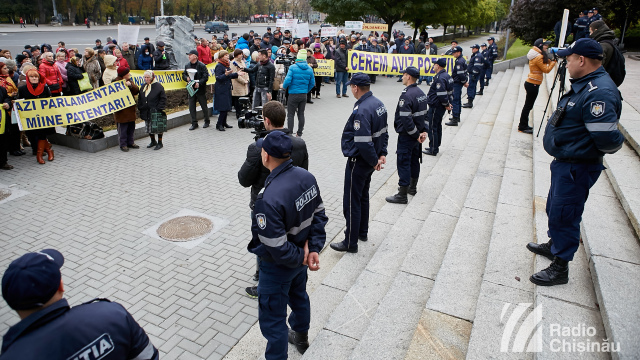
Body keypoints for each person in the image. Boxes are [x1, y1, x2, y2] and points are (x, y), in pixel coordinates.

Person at [528, 38, 624, 286]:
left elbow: (608, 138)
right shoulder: (587, 83)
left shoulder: (599, 92)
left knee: (565, 214)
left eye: (569, 59)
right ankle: (554, 244)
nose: (566, 64)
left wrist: (580, 149)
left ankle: (560, 267)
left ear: (581, 60)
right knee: (555, 207)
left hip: (577, 165)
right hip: (567, 162)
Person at [246, 130, 327, 359]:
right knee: (299, 296)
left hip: (277, 267)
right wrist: (313, 249)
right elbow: (320, 215)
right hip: (300, 257)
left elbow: (276, 245)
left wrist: (303, 255)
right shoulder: (306, 177)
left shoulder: (268, 198)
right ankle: (301, 336)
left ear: (266, 156)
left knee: (273, 322)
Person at [0, 248, 159, 359]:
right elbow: (148, 356)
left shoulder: (13, 355)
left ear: (11, 303)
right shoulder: (112, 315)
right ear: (61, 286)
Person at [238, 101, 309, 297]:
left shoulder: (259, 146)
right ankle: (288, 275)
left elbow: (243, 179)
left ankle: (262, 280)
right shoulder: (299, 143)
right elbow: (304, 174)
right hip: (292, 204)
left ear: (266, 120)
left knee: (264, 242)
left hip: (264, 205)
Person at [330, 73, 388, 253]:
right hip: (371, 160)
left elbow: (363, 141)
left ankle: (350, 241)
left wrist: (373, 161)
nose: (350, 89)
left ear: (355, 87)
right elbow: (384, 132)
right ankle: (362, 232)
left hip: (359, 162)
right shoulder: (379, 104)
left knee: (352, 201)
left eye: (351, 86)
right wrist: (381, 154)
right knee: (363, 196)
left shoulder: (362, 109)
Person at [385, 67, 428, 204]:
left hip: (408, 136)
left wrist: (415, 134)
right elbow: (426, 115)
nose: (402, 76)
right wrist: (424, 131)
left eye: (404, 74)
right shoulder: (421, 92)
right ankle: (412, 187)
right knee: (414, 160)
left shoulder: (407, 94)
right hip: (417, 136)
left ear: (408, 77)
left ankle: (402, 194)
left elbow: (406, 119)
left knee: (403, 162)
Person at [518, 39, 557, 134]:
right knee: (528, 106)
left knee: (528, 105)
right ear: (540, 46)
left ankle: (523, 125)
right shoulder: (538, 57)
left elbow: (546, 62)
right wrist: (554, 62)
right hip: (533, 83)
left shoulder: (536, 55)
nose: (547, 47)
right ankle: (522, 126)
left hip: (532, 82)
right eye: (545, 45)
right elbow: (546, 69)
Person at [18, 69, 55, 164]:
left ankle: (39, 155)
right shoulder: (22, 89)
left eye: (36, 77)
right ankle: (49, 151)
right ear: (28, 78)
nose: (34, 78)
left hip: (43, 117)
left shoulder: (45, 88)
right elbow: (20, 102)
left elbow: (49, 101)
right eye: (32, 77)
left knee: (42, 135)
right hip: (31, 118)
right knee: (33, 135)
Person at [282, 49, 315, 137]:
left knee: (290, 114)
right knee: (301, 114)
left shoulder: (293, 67)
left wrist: (284, 87)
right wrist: (305, 90)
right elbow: (312, 83)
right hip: (303, 94)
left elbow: (287, 80)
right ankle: (299, 133)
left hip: (293, 94)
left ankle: (290, 133)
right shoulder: (309, 68)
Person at [423, 58, 453, 156]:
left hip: (436, 106)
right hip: (440, 106)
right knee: (437, 125)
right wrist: (448, 104)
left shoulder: (440, 77)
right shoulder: (447, 76)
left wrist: (446, 104)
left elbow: (442, 94)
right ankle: (436, 145)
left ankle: (433, 148)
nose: (433, 66)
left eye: (434, 64)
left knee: (432, 127)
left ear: (438, 66)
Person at [214, 50, 244, 131]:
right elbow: (218, 78)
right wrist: (226, 74)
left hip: (227, 88)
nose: (228, 56)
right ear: (221, 57)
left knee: (227, 106)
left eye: (228, 55)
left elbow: (229, 76)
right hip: (221, 89)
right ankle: (219, 124)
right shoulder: (219, 66)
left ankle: (224, 122)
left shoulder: (226, 65)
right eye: (226, 55)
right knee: (223, 107)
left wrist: (237, 74)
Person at [138, 70, 167, 150]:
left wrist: (159, 108)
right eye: (145, 77)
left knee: (158, 128)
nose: (146, 79)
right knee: (149, 127)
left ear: (152, 78)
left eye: (148, 77)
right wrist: (141, 106)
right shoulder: (143, 86)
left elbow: (163, 98)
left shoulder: (158, 86)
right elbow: (140, 98)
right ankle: (153, 141)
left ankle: (160, 142)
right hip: (146, 111)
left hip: (156, 110)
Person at [114, 66, 140, 151]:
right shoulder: (115, 82)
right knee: (123, 128)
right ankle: (123, 144)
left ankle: (130, 142)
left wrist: (131, 86)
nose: (129, 74)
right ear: (123, 75)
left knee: (131, 127)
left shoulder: (129, 81)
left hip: (130, 109)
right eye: (127, 73)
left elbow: (136, 90)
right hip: (122, 111)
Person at [183, 49, 210, 130]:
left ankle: (207, 121)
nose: (189, 56)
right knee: (191, 106)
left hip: (200, 89)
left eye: (190, 55)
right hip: (191, 89)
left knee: (203, 106)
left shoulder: (202, 65)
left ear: (195, 56)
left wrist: (200, 83)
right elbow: (183, 74)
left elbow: (205, 77)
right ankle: (194, 123)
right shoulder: (187, 65)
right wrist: (186, 78)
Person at [445, 46, 468, 126]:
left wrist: (464, 82)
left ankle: (455, 118)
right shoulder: (461, 60)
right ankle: (457, 116)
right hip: (459, 82)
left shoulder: (459, 61)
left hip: (457, 83)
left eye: (455, 52)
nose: (453, 54)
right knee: (457, 100)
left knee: (455, 100)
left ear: (459, 52)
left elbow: (460, 73)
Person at [462, 44, 484, 109]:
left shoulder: (478, 56)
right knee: (472, 87)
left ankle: (470, 102)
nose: (472, 49)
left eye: (473, 48)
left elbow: (477, 66)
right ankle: (470, 101)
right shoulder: (476, 55)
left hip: (474, 74)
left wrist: (474, 74)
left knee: (471, 87)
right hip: (473, 74)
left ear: (477, 49)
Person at [230, 49, 250, 119]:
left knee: (243, 98)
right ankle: (238, 113)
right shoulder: (233, 63)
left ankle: (242, 112)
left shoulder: (242, 62)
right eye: (239, 54)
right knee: (237, 99)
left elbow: (246, 71)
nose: (241, 55)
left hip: (244, 82)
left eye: (241, 54)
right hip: (237, 84)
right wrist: (243, 81)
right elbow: (235, 75)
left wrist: (247, 79)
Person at [0, 83, 13, 170]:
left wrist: (7, 103)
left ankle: (3, 162)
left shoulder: (1, 89)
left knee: (2, 142)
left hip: (1, 122)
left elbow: (7, 98)